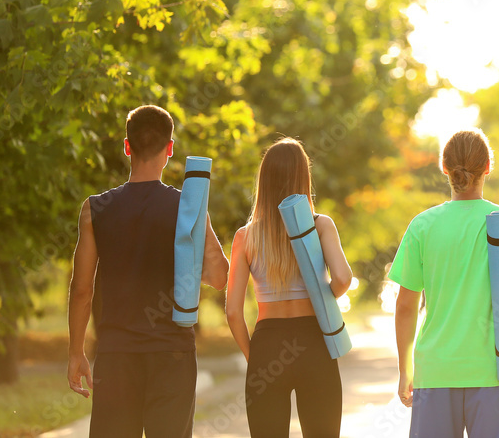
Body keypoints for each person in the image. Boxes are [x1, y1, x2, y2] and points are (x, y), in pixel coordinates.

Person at [67, 104, 229, 438]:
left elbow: (82, 290)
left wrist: (76, 352)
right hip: (172, 355)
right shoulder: (187, 207)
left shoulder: (94, 209)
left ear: (127, 147)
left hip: (115, 355)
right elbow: (219, 277)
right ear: (170, 149)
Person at [389, 128, 499, 438]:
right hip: (496, 369)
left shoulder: (422, 225)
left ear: (444, 168)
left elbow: (406, 305)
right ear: (488, 167)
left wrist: (406, 369)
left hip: (435, 370)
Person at [225, 137, 352, 438]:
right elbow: (344, 279)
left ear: (264, 181)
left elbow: (232, 312)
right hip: (314, 343)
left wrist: (254, 356)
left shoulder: (245, 237)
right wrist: (321, 299)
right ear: (303, 177)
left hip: (267, 346)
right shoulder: (320, 226)